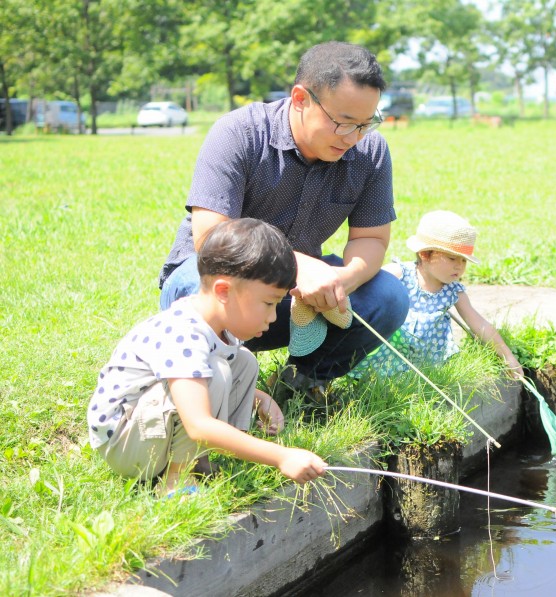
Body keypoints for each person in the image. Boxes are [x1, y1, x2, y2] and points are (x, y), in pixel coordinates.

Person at [157, 41, 408, 405]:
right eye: (342, 123)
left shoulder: (371, 152)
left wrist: (340, 282)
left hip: (294, 302)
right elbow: (211, 237)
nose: (353, 138)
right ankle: (216, 388)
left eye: (365, 124)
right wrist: (297, 267)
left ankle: (299, 382)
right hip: (216, 285)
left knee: (388, 297)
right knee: (191, 286)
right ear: (301, 98)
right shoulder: (239, 133)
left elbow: (371, 239)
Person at [89, 219, 326, 497]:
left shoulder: (221, 328)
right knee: (215, 370)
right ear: (224, 291)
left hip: (151, 430)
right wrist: (282, 456)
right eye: (268, 303)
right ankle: (177, 479)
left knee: (243, 362)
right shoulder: (184, 333)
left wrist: (259, 398)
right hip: (126, 443)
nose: (273, 317)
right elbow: (198, 424)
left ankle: (209, 458)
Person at [350, 210, 524, 379]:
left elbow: (480, 324)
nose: (459, 266)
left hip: (428, 365)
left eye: (464, 260)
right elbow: (365, 288)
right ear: (425, 254)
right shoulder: (400, 274)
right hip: (390, 356)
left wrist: (508, 357)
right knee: (378, 382)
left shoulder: (453, 291)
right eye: (452, 258)